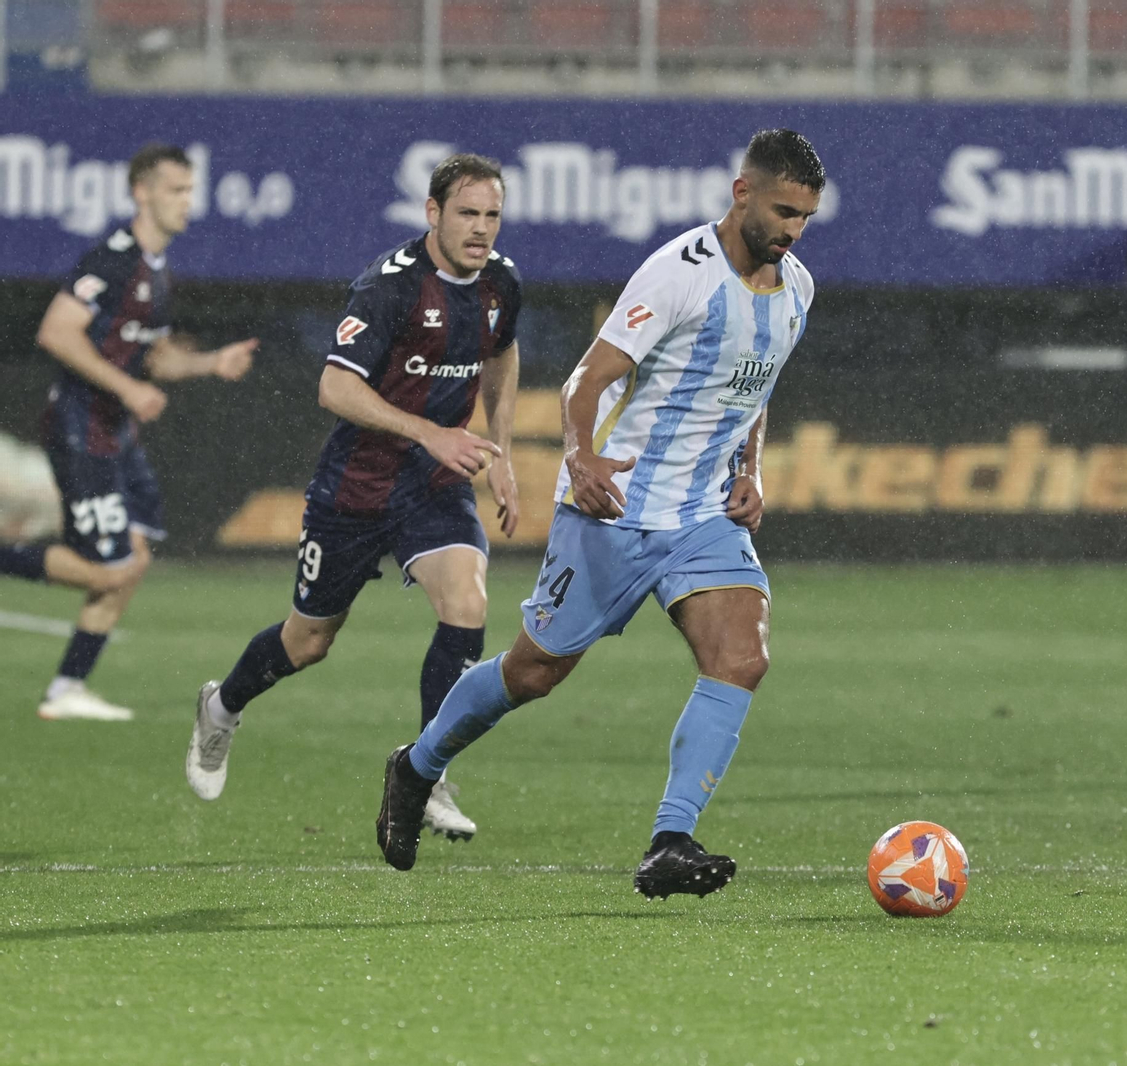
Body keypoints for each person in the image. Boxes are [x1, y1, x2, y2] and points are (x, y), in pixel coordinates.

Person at [372, 129, 825, 898]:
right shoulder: (679, 274)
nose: (791, 230)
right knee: (534, 671)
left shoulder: (797, 290)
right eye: (782, 211)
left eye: (806, 217)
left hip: (702, 514)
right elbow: (586, 379)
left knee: (741, 657)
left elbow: (752, 388)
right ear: (743, 192)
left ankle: (670, 842)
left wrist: (750, 470)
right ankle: (416, 767)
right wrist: (578, 457)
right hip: (613, 502)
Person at [186, 153, 522, 843]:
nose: (481, 228)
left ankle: (426, 777)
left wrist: (504, 452)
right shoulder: (390, 287)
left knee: (467, 602)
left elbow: (501, 353)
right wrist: (429, 430)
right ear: (432, 213)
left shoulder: (501, 284)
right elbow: (334, 388)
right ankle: (222, 706)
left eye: (491, 215)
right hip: (357, 489)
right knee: (307, 642)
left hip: (434, 487)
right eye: (467, 213)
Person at [0, 143, 256, 721]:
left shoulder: (159, 271)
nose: (187, 201)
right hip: (81, 426)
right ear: (142, 192)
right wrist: (125, 388)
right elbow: (57, 333)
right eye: (175, 190)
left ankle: (67, 688)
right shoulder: (113, 259)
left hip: (116, 434)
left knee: (133, 558)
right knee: (108, 569)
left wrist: (210, 363)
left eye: (191, 190)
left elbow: (157, 359)